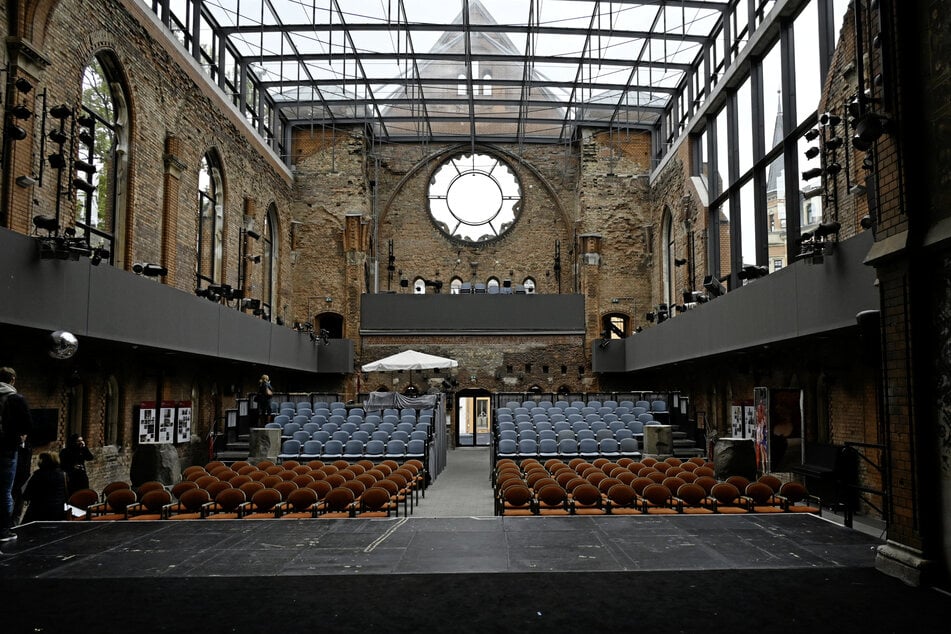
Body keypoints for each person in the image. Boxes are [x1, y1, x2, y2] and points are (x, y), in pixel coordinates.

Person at [0, 366, 32, 541]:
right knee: (5, 490)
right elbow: (27, 424)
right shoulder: (15, 398)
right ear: (12, 379)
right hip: (6, 448)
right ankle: (4, 530)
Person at [22, 452, 68, 523]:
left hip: (39, 512)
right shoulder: (62, 474)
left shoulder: (37, 474)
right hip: (58, 511)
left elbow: (27, 494)